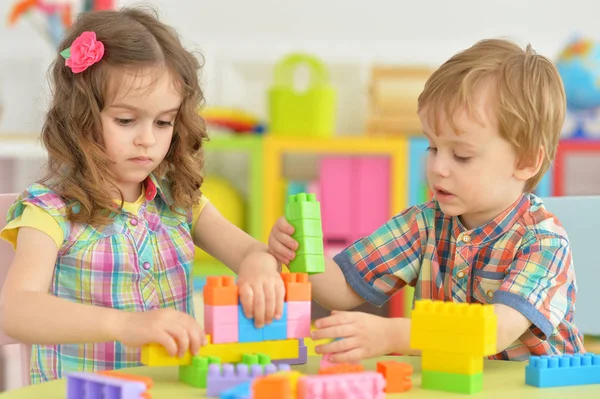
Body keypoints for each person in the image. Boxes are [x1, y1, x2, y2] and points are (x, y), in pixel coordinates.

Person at [0, 7, 284, 383]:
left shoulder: (179, 202)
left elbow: (249, 251)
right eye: (125, 120)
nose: (147, 139)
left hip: (169, 388)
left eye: (163, 121)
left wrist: (260, 267)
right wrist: (124, 325)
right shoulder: (50, 210)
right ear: (79, 118)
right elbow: (17, 310)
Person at [269, 38, 585, 363]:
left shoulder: (543, 243)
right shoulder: (424, 224)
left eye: (461, 155)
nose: (437, 167)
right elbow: (341, 288)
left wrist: (393, 335)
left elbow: (493, 332)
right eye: (432, 148)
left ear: (526, 161)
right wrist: (300, 252)